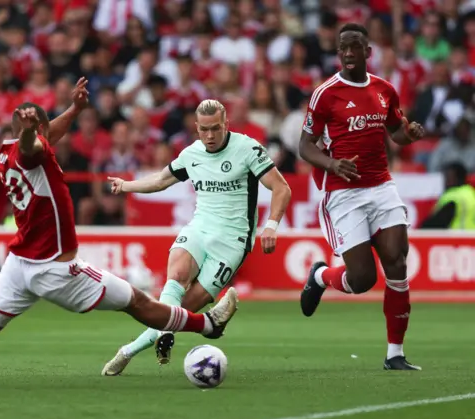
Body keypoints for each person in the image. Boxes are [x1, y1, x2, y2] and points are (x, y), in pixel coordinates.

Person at [0, 80, 239, 384]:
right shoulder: (33, 151)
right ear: (36, 133)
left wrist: (73, 111)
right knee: (138, 303)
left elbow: (41, 138)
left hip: (20, 263)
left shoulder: (5, 149)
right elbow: (34, 147)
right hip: (57, 268)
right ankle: (207, 325)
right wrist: (34, 133)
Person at [102, 99, 292, 376]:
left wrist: (272, 225)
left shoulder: (248, 148)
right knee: (175, 276)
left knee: (181, 309)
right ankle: (175, 331)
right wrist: (126, 185)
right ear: (196, 128)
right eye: (204, 130)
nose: (210, 136)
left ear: (226, 124)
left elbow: (281, 187)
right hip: (199, 228)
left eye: (216, 128)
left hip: (232, 242)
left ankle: (130, 349)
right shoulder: (192, 153)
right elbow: (161, 180)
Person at [298, 23, 426, 371]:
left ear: (368, 52)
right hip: (343, 193)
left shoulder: (385, 90)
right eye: (343, 49)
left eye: (355, 47)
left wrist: (409, 133)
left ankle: (395, 354)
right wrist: (332, 163)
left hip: (381, 186)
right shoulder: (326, 94)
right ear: (338, 53)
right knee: (362, 280)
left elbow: (397, 133)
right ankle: (322, 276)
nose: (349, 53)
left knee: (397, 262)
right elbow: (304, 146)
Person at [420, 162, 475, 229]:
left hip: (455, 237)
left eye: (448, 177)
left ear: (457, 178)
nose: (445, 180)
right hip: (471, 236)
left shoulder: (453, 197)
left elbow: (436, 223)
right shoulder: (471, 192)